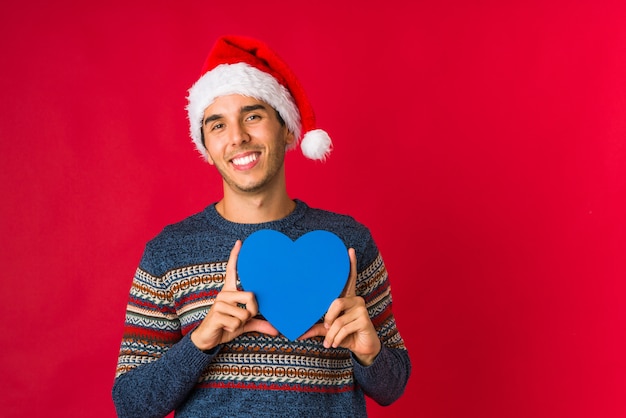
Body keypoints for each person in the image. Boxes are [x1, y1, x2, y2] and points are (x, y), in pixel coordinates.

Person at [112, 35, 411, 418]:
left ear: (287, 129)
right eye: (217, 125)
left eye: (252, 116)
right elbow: (130, 403)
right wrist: (201, 341)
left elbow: (394, 384)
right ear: (205, 144)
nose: (237, 137)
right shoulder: (167, 253)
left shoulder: (348, 242)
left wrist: (371, 354)